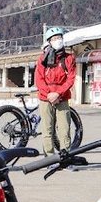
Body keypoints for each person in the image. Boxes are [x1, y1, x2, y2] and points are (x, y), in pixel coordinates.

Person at [34, 26, 76, 155]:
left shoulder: (69, 58)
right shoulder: (43, 59)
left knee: (64, 129)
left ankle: (65, 157)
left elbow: (71, 78)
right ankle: (49, 157)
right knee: (47, 130)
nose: (58, 40)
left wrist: (58, 93)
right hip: (45, 98)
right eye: (54, 38)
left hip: (62, 97)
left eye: (59, 37)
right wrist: (49, 94)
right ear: (49, 41)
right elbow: (39, 79)